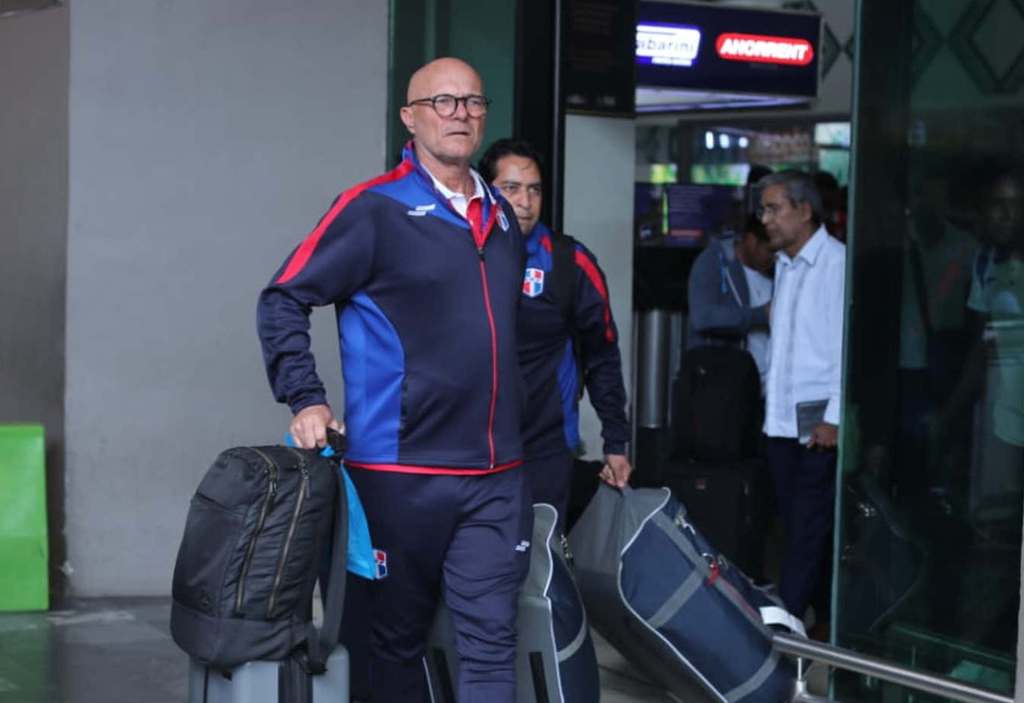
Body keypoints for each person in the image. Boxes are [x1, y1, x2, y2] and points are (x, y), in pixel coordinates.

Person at [257, 58, 530, 702]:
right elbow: (282, 298)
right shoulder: (371, 210)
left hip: (496, 478)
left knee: (492, 646)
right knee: (387, 653)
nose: (458, 112)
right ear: (410, 118)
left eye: (471, 101)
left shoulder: (502, 215)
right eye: (442, 101)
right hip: (397, 477)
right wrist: (306, 398)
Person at [478, 138, 632, 530]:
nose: (525, 201)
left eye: (534, 189)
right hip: (471, 444)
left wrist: (616, 442)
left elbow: (603, 354)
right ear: (485, 191)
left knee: (539, 570)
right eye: (511, 188)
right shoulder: (459, 256)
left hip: (545, 447)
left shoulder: (569, 262)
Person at [758, 170, 846, 622]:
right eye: (764, 209)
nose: (765, 219)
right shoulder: (786, 268)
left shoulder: (837, 265)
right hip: (780, 425)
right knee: (802, 531)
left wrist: (833, 417)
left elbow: (848, 349)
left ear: (805, 211)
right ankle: (836, 628)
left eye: (775, 208)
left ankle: (785, 635)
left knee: (804, 537)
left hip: (820, 430)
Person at [686, 214, 774, 389]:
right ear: (751, 240)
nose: (774, 257)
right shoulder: (714, 262)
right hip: (727, 384)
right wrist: (761, 314)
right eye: (769, 250)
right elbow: (703, 317)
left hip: (770, 386)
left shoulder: (781, 272)